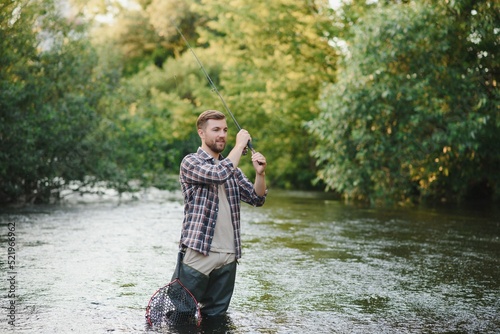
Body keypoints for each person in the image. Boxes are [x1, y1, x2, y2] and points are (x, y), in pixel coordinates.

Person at [173, 109, 267, 317]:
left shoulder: (232, 168)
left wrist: (260, 175)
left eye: (225, 130)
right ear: (201, 133)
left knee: (216, 319)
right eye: (215, 129)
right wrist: (240, 145)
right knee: (182, 316)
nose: (222, 134)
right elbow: (218, 174)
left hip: (228, 255)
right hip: (199, 251)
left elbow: (257, 198)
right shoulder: (190, 162)